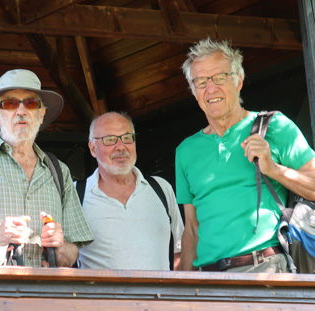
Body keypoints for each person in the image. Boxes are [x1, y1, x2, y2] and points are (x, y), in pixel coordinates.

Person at [176, 38, 315, 273]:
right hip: (207, 283)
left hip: (266, 270)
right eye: (200, 82)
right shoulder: (186, 151)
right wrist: (181, 294)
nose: (210, 89)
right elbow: (191, 229)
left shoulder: (275, 126)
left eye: (219, 78)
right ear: (193, 91)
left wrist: (274, 170)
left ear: (238, 80)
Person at [0, 69, 93, 267]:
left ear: (41, 115)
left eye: (31, 103)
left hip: (44, 294)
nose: (21, 111)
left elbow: (72, 254)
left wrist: (59, 246)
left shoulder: (59, 171)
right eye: (10, 103)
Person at [76, 112, 184, 270]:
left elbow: (179, 251)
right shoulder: (76, 194)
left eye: (127, 138)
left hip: (160, 295)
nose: (121, 147)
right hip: (101, 295)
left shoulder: (161, 188)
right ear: (93, 148)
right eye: (110, 139)